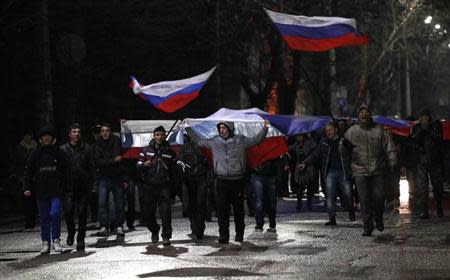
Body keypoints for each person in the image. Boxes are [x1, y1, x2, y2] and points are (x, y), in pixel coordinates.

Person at [186, 120, 269, 244]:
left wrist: (265, 128)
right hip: (221, 181)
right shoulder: (215, 141)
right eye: (220, 127)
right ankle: (223, 235)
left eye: (224, 127)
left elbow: (256, 140)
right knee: (222, 211)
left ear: (230, 128)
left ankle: (239, 235)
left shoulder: (240, 140)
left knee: (238, 211)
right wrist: (188, 128)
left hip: (237, 181)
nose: (221, 130)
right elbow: (199, 141)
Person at [344, 105, 397, 236]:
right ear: (358, 115)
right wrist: (343, 146)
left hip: (378, 169)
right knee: (364, 199)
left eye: (366, 112)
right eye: (361, 112)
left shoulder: (379, 130)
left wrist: (393, 162)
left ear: (370, 115)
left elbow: (389, 147)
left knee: (379, 197)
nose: (364, 114)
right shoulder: (351, 132)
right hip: (359, 170)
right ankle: (368, 226)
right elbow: (343, 152)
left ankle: (378, 217)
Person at [300, 122, 355, 226]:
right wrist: (305, 163)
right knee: (330, 195)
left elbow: (352, 151)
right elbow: (315, 154)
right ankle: (332, 218)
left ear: (336, 130)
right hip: (330, 172)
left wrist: (348, 145)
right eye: (327, 130)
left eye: (330, 130)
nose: (328, 132)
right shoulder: (324, 143)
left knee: (348, 194)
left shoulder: (343, 141)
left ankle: (351, 210)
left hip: (343, 171)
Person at [24, 126, 64, 254]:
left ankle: (56, 240)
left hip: (56, 190)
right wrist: (27, 187)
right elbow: (28, 171)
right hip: (41, 190)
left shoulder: (58, 152)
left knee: (55, 213)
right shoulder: (35, 153)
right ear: (41, 139)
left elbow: (66, 171)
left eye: (49, 136)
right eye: (44, 136)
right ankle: (45, 242)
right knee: (44, 217)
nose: (46, 138)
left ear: (52, 138)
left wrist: (67, 187)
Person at [137, 126, 177, 246]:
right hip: (149, 186)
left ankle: (166, 236)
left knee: (165, 213)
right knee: (148, 214)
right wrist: (144, 164)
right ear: (153, 136)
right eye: (157, 135)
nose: (159, 137)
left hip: (164, 186)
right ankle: (154, 230)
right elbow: (138, 165)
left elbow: (173, 172)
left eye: (162, 134)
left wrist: (173, 189)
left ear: (165, 136)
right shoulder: (145, 150)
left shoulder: (170, 152)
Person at [60, 123, 96, 251]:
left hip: (83, 186)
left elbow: (92, 167)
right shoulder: (63, 149)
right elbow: (60, 169)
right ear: (69, 134)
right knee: (68, 212)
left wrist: (93, 184)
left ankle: (80, 238)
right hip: (68, 187)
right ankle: (71, 232)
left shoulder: (86, 148)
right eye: (74, 132)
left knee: (82, 214)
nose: (76, 134)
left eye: (78, 132)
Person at [93, 123, 126, 238]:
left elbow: (118, 157)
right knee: (102, 202)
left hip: (116, 176)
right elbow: (98, 161)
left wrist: (107, 160)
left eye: (107, 130)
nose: (105, 133)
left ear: (110, 131)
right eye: (103, 131)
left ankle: (119, 226)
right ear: (100, 133)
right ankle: (103, 226)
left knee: (119, 202)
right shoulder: (97, 144)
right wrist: (113, 160)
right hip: (103, 177)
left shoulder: (116, 141)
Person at [411, 109, 444, 218]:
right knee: (421, 187)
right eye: (422, 117)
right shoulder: (416, 127)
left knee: (437, 186)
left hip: (435, 161)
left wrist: (428, 129)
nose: (424, 119)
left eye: (426, 117)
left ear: (429, 118)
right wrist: (422, 129)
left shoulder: (436, 125)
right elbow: (414, 140)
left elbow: (439, 139)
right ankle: (424, 210)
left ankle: (439, 207)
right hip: (422, 161)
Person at [179, 133, 208, 239]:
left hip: (201, 177)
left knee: (200, 203)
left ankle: (199, 228)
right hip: (188, 179)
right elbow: (179, 162)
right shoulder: (185, 147)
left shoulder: (204, 145)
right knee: (190, 204)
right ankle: (195, 226)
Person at [251, 156, 288, 232]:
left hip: (269, 174)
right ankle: (260, 223)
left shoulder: (272, 147)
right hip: (260, 174)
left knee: (270, 201)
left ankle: (270, 221)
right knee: (260, 201)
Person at [10, 130, 38, 230]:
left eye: (29, 135)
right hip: (23, 177)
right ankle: (28, 221)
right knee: (26, 199)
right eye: (25, 135)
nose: (27, 137)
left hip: (34, 178)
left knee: (33, 199)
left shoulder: (36, 148)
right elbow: (15, 162)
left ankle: (33, 220)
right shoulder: (19, 149)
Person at [289, 133, 318, 211]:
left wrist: (310, 137)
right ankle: (299, 203)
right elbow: (289, 149)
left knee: (309, 185)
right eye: (297, 136)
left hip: (308, 165)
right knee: (299, 186)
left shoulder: (309, 142)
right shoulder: (296, 144)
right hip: (299, 166)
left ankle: (309, 203)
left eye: (300, 136)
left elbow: (315, 147)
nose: (299, 137)